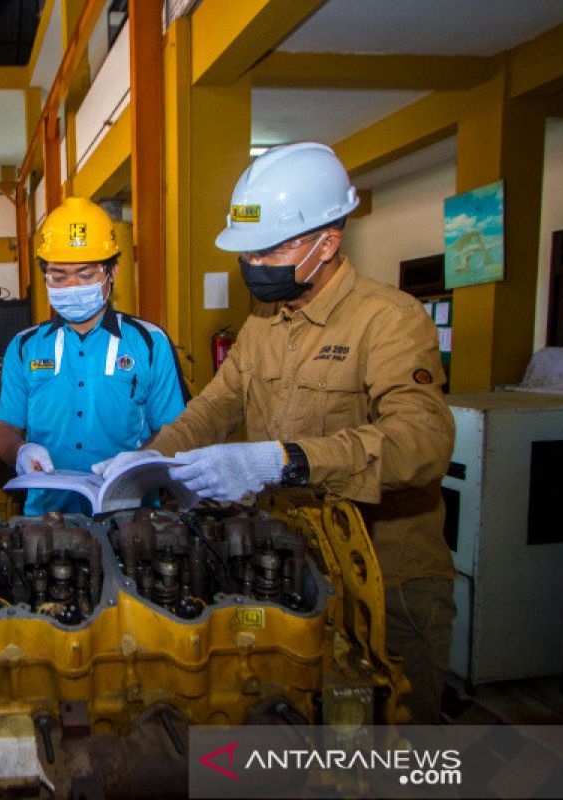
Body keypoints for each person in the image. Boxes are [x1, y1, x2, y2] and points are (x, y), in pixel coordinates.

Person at [97, 142, 456, 723]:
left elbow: (424, 444)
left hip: (388, 582)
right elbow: (214, 406)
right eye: (248, 251)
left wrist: (281, 461)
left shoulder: (389, 321)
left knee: (394, 742)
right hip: (291, 565)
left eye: (269, 249)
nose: (254, 264)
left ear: (327, 244)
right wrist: (142, 461)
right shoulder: (265, 321)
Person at [0, 196, 190, 515]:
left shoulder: (151, 344)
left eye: (85, 275)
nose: (71, 286)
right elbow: (3, 429)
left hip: (132, 514)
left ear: (113, 272)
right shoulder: (24, 347)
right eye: (58, 276)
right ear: (44, 276)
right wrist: (21, 450)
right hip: (47, 517)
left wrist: (141, 460)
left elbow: (175, 429)